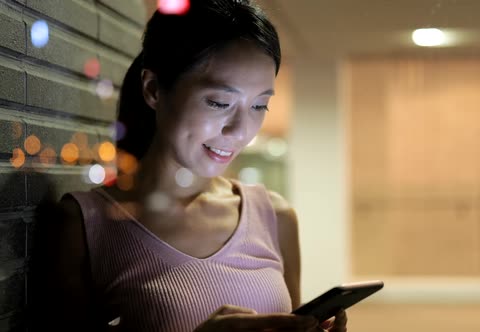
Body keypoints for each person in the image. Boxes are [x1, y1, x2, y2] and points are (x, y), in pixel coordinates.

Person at [47, 0, 347, 331]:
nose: (241, 131)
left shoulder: (275, 216)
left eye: (260, 105)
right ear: (153, 90)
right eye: (219, 102)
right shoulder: (85, 223)